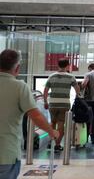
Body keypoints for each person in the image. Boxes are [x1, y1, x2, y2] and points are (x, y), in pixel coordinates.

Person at [0, 49, 59, 179]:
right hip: (6, 153)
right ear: (17, 68)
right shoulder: (19, 87)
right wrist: (51, 131)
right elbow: (35, 115)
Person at [44, 57, 79, 151]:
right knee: (61, 124)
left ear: (58, 65)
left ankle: (50, 142)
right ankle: (57, 144)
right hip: (64, 104)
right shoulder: (71, 77)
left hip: (53, 103)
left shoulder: (52, 76)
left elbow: (46, 90)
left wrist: (45, 101)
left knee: (52, 122)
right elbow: (77, 90)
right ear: (67, 66)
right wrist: (78, 98)